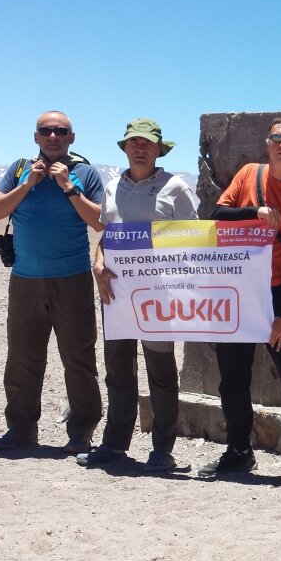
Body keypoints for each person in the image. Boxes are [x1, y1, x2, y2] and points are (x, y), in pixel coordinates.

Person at [198, 114, 281, 487]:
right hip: (237, 295)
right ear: (268, 144)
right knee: (232, 380)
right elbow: (216, 215)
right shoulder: (249, 174)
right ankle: (238, 452)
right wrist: (256, 212)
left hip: (275, 298)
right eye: (277, 138)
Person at [77, 119, 197, 472]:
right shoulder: (112, 187)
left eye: (147, 143)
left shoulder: (175, 188)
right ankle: (115, 445)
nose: (139, 148)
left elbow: (192, 241)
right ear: (125, 148)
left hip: (159, 296)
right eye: (133, 143)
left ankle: (163, 450)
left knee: (160, 372)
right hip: (116, 294)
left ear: (159, 149)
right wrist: (97, 267)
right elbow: (107, 237)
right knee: (118, 370)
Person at [0, 111, 106, 453]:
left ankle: (81, 433)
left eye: (60, 131)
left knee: (78, 357)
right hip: (26, 279)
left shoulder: (84, 172)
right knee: (22, 357)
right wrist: (27, 185)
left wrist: (68, 187)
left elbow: (99, 222)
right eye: (46, 131)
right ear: (36, 137)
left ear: (71, 137)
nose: (53, 136)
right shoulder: (20, 169)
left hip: (72, 278)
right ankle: (21, 430)